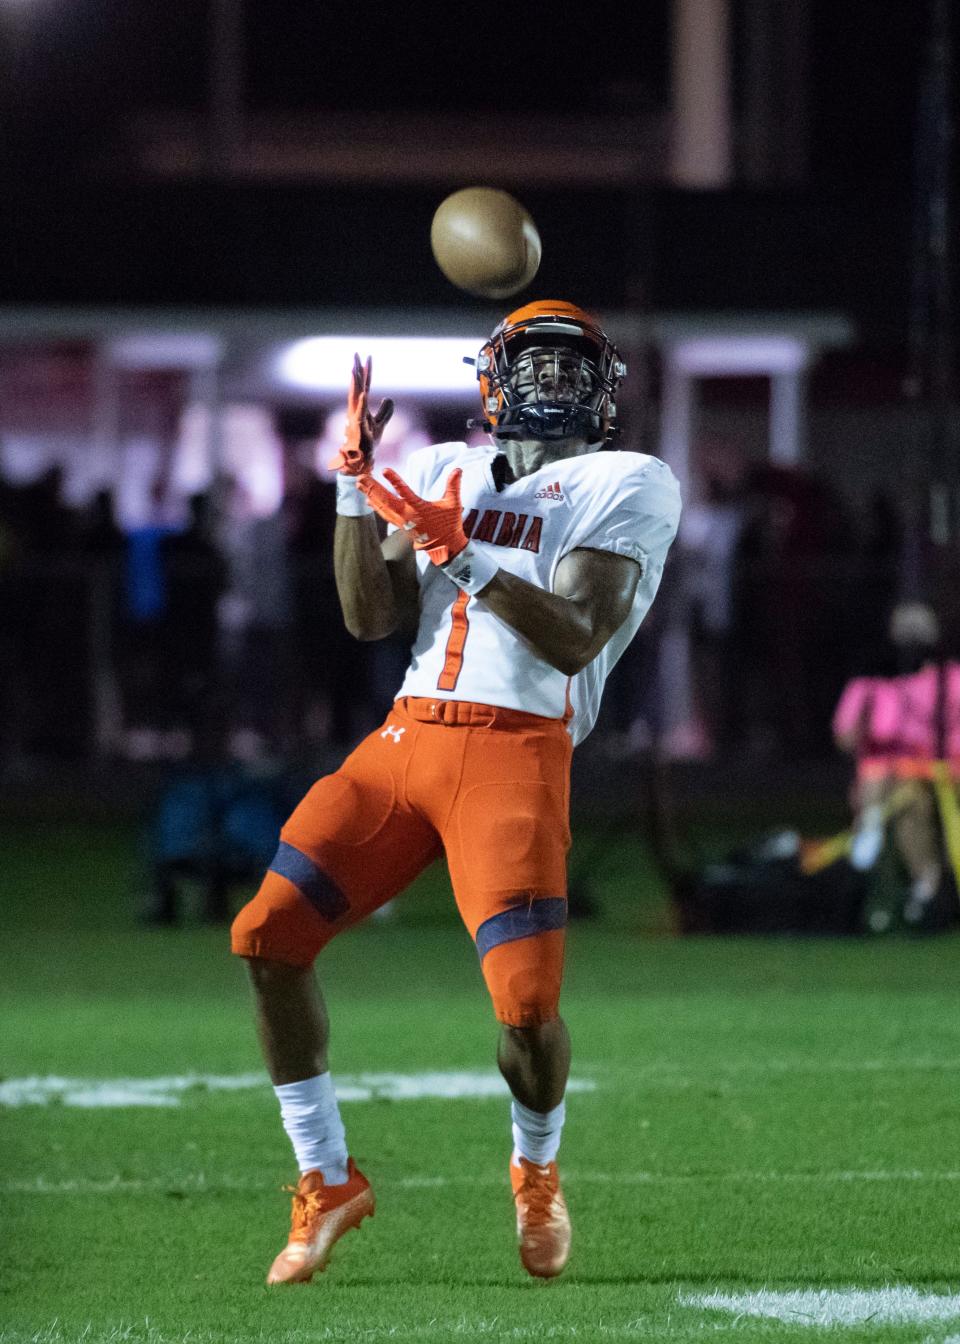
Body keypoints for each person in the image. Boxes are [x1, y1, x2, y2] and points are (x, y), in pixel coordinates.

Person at [230, 299, 681, 1283]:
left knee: (525, 1008)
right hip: (408, 736)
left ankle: (536, 1171)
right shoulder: (441, 466)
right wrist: (353, 484)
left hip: (520, 745)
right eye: (538, 363)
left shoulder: (629, 482)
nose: (554, 382)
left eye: (573, 368)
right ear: (495, 380)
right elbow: (367, 615)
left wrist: (463, 550)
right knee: (267, 934)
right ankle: (328, 1177)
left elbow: (573, 634)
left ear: (604, 395)